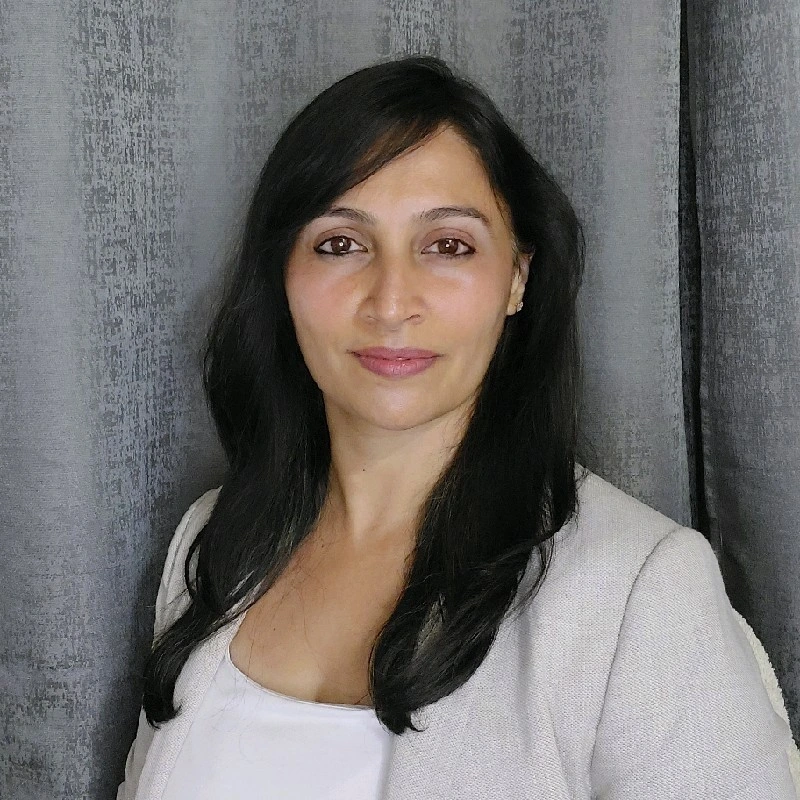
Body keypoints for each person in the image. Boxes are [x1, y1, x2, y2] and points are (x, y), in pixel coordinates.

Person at [117, 55, 799, 799]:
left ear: (517, 278)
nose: (390, 302)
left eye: (448, 245)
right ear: (282, 275)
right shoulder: (212, 541)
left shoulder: (639, 590)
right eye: (340, 244)